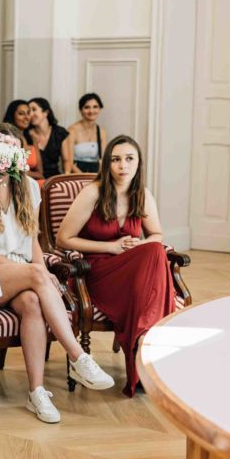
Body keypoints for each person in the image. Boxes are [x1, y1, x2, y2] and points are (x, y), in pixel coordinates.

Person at [0, 125, 114, 422]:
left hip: (21, 275)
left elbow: (34, 240)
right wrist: (35, 273)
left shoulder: (28, 187)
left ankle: (36, 393)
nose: (8, 157)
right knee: (38, 277)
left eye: (14, 150)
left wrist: (37, 269)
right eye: (2, 151)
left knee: (32, 303)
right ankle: (78, 356)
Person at [56, 135, 176, 397]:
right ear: (107, 164)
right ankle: (146, 349)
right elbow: (63, 238)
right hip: (97, 271)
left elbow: (157, 235)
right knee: (154, 257)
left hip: (130, 269)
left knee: (154, 250)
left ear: (138, 163)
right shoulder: (93, 193)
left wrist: (136, 245)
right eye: (116, 159)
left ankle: (144, 341)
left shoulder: (142, 195)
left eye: (129, 159)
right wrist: (110, 247)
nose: (123, 165)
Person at [62, 93, 107, 174]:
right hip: (76, 174)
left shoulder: (102, 132)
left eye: (95, 107)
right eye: (87, 107)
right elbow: (69, 162)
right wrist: (83, 177)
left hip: (96, 174)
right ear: (80, 110)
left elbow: (103, 160)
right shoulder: (72, 131)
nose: (91, 111)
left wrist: (98, 177)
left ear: (100, 109)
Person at [26, 97, 68, 179]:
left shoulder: (59, 132)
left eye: (34, 109)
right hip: (33, 179)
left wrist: (65, 178)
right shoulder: (26, 134)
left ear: (45, 112)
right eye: (28, 111)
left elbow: (66, 161)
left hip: (55, 178)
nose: (30, 114)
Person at [2, 100, 43, 182]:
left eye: (28, 113)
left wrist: (23, 172)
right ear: (12, 116)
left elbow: (40, 173)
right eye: (21, 114)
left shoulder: (32, 138)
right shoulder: (6, 138)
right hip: (14, 182)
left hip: (33, 181)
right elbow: (9, 170)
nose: (27, 117)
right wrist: (23, 172)